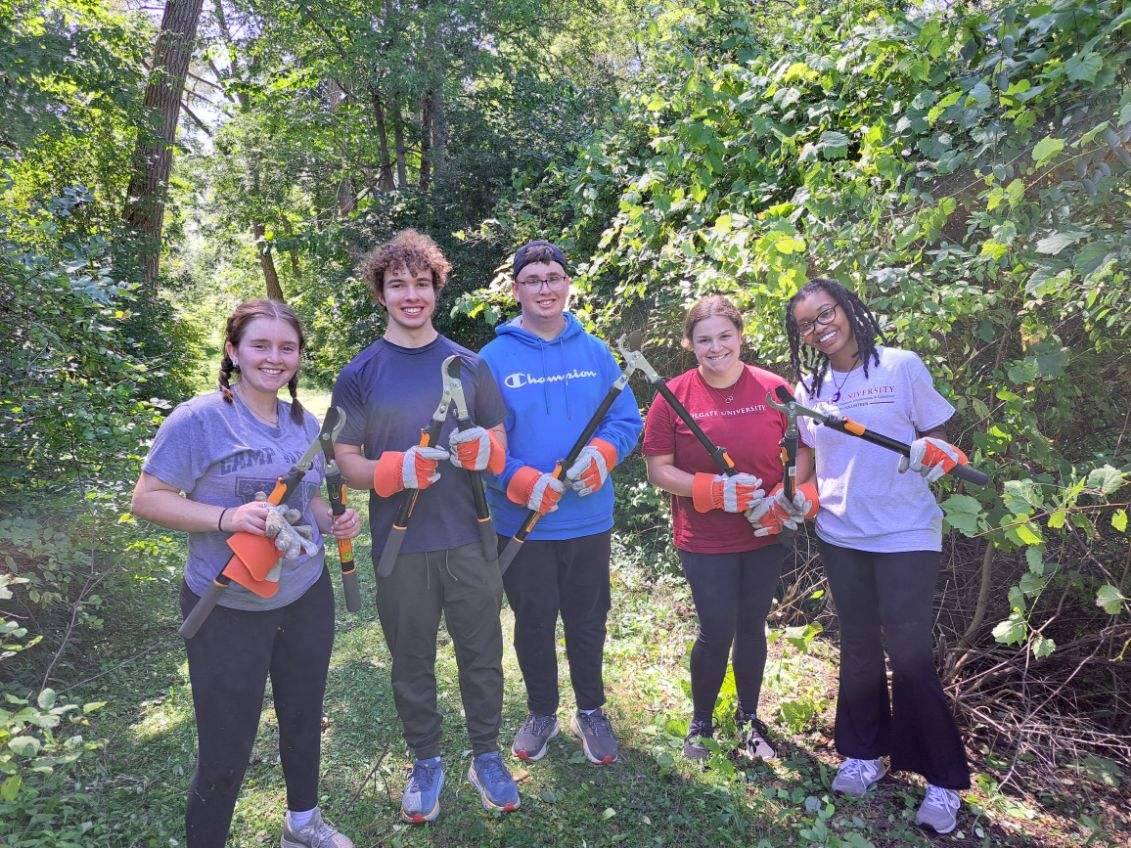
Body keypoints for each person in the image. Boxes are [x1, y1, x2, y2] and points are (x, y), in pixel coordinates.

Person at [131, 299, 361, 848]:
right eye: (260, 345)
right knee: (225, 746)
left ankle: (302, 824)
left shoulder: (305, 422)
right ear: (233, 351)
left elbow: (311, 506)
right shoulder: (199, 419)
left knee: (303, 717)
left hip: (304, 597)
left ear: (300, 357)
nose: (274, 358)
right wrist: (226, 517)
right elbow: (147, 499)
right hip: (227, 607)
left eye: (287, 348)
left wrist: (334, 521)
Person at [759, 277, 972, 835]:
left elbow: (942, 440)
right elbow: (807, 472)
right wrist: (791, 501)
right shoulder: (810, 387)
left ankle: (943, 780)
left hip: (904, 533)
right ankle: (863, 752)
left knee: (909, 657)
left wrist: (940, 451)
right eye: (806, 323)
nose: (819, 327)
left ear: (848, 309)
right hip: (841, 535)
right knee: (856, 648)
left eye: (825, 313)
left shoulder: (900, 366)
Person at [330, 229, 519, 823]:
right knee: (411, 658)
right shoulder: (360, 373)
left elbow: (498, 443)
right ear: (380, 293)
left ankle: (486, 753)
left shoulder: (470, 365)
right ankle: (426, 759)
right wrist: (396, 469)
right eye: (397, 285)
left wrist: (479, 453)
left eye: (421, 284)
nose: (410, 295)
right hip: (401, 546)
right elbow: (346, 462)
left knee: (482, 653)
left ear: (436, 289)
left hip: (470, 537)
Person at [478, 239, 643, 766]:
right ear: (516, 289)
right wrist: (519, 480)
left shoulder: (594, 351)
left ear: (567, 284)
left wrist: (602, 454)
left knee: (588, 619)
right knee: (532, 621)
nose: (545, 288)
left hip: (588, 520)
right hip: (522, 521)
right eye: (533, 279)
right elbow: (481, 445)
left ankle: (591, 710)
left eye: (554, 277)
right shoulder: (491, 359)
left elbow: (626, 421)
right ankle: (542, 711)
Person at [641, 294, 803, 762]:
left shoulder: (775, 388)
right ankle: (701, 723)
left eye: (724, 336)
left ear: (741, 336)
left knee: (752, 626)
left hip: (762, 532)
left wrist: (787, 496)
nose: (716, 347)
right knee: (716, 628)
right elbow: (658, 469)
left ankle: (749, 719)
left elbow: (803, 451)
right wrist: (708, 489)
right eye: (704, 339)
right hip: (705, 536)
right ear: (689, 343)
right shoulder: (673, 395)